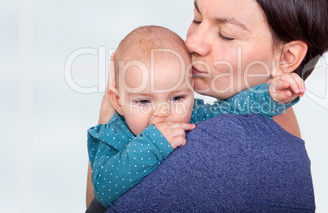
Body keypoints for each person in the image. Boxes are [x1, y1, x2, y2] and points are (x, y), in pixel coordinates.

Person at [87, 0, 328, 211]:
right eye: (197, 19)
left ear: (287, 58)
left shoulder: (223, 147)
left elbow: (99, 204)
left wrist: (110, 117)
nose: (192, 43)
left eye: (226, 34)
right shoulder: (262, 131)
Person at [87, 25, 304, 210]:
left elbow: (233, 109)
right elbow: (104, 191)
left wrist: (270, 95)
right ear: (118, 101)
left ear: (191, 90)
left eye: (177, 97)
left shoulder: (193, 114)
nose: (162, 112)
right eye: (144, 102)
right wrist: (154, 143)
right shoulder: (111, 133)